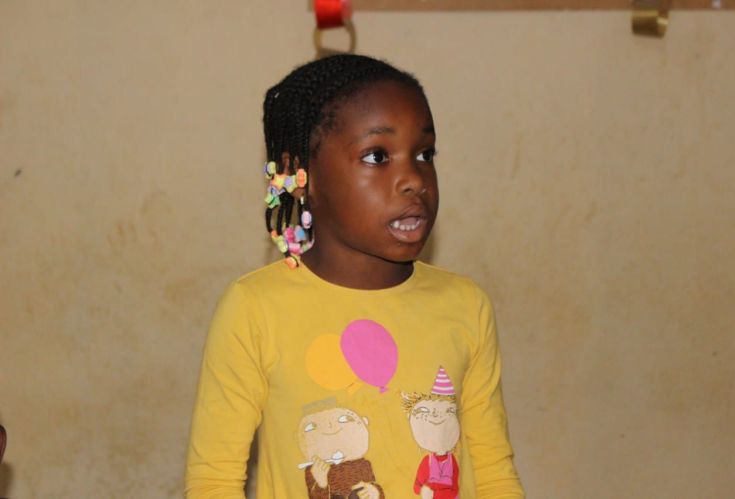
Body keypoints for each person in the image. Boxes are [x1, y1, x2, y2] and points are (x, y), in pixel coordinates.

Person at [184, 54, 524, 499]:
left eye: (424, 154)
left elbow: (494, 473)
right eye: (377, 156)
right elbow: (214, 482)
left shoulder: (465, 305)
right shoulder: (255, 308)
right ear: (300, 175)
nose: (413, 179)